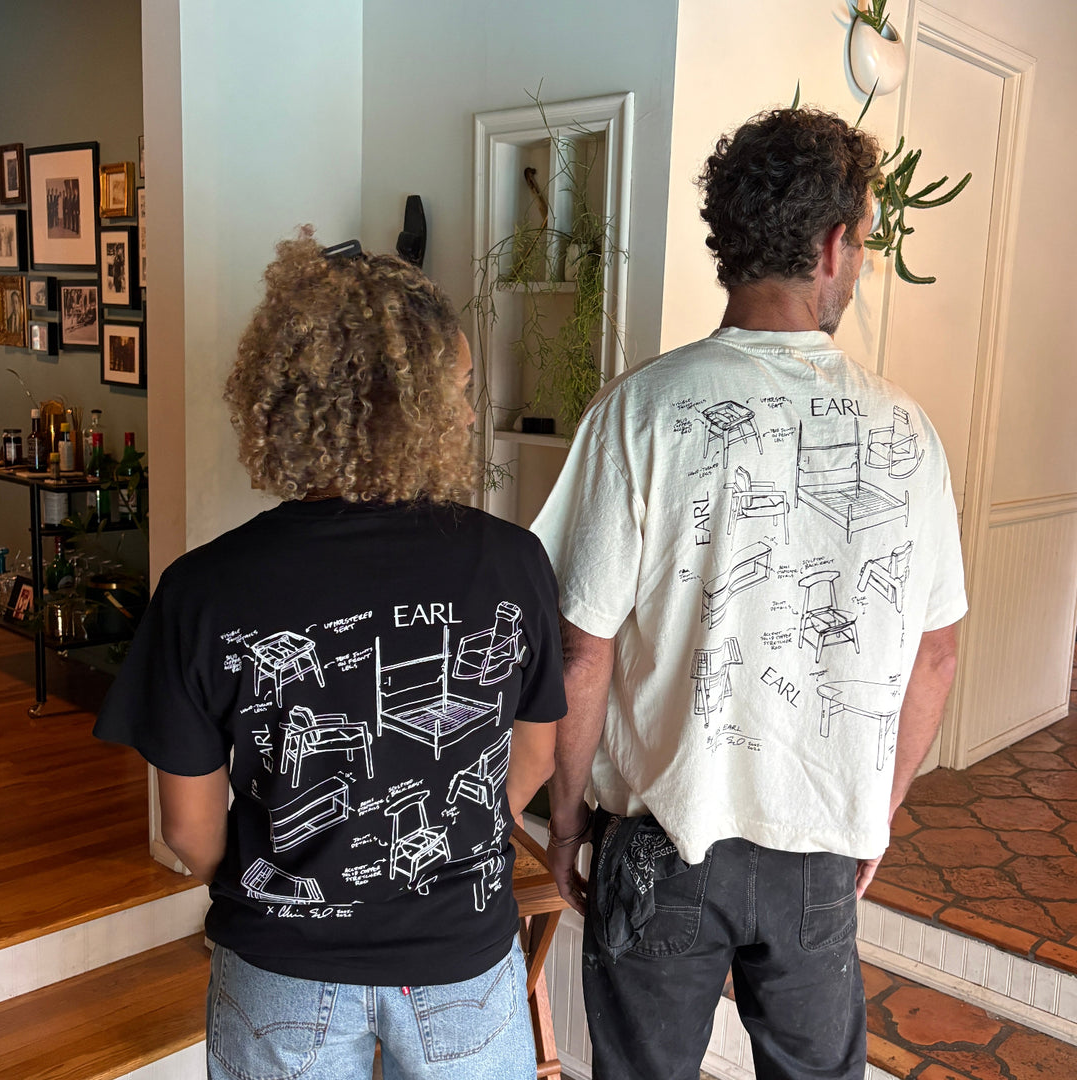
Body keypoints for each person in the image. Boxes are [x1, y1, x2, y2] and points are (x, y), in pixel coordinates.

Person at [531, 107, 966, 1080]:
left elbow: (582, 648)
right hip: (815, 848)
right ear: (833, 244)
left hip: (658, 847)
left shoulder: (639, 410)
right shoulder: (907, 434)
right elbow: (935, 654)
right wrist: (876, 812)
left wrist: (564, 823)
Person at [94, 232, 566, 1080]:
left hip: (280, 969)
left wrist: (292, 880)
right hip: (462, 959)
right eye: (454, 389)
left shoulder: (205, 588)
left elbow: (191, 834)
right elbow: (530, 759)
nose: (466, 414)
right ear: (410, 403)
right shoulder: (511, 561)